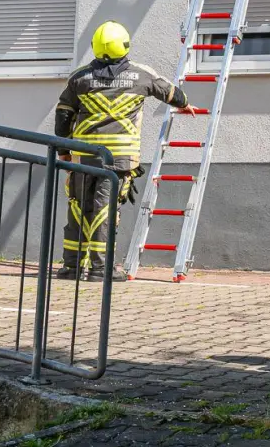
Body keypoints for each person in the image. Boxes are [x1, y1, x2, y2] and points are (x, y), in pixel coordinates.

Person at [53, 21, 194, 281]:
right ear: (125, 46)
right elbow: (170, 91)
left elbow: (63, 116)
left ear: (95, 46)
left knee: (78, 207)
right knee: (105, 211)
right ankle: (100, 269)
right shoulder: (141, 75)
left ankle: (72, 267)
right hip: (120, 160)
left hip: (83, 157)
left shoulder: (79, 78)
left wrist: (63, 153)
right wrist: (184, 104)